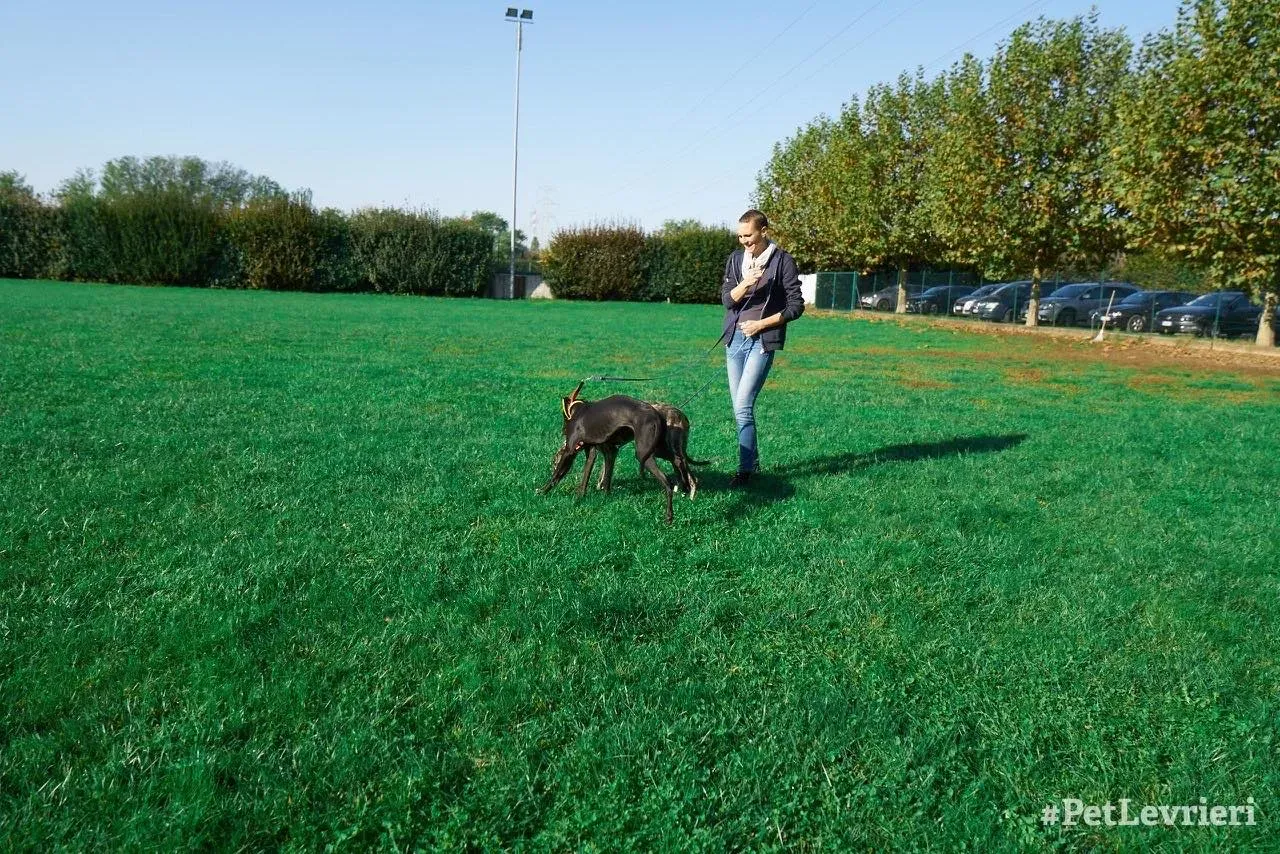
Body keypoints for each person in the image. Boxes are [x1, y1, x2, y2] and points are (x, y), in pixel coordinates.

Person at [720, 209, 804, 487]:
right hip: (734, 341)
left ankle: (744, 471)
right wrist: (746, 283)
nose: (744, 241)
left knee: (743, 405)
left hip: (761, 342)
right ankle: (752, 464)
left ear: (764, 231)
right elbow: (727, 300)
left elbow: (796, 306)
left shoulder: (783, 262)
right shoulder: (735, 260)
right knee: (739, 408)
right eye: (740, 236)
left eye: (749, 235)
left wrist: (761, 325)